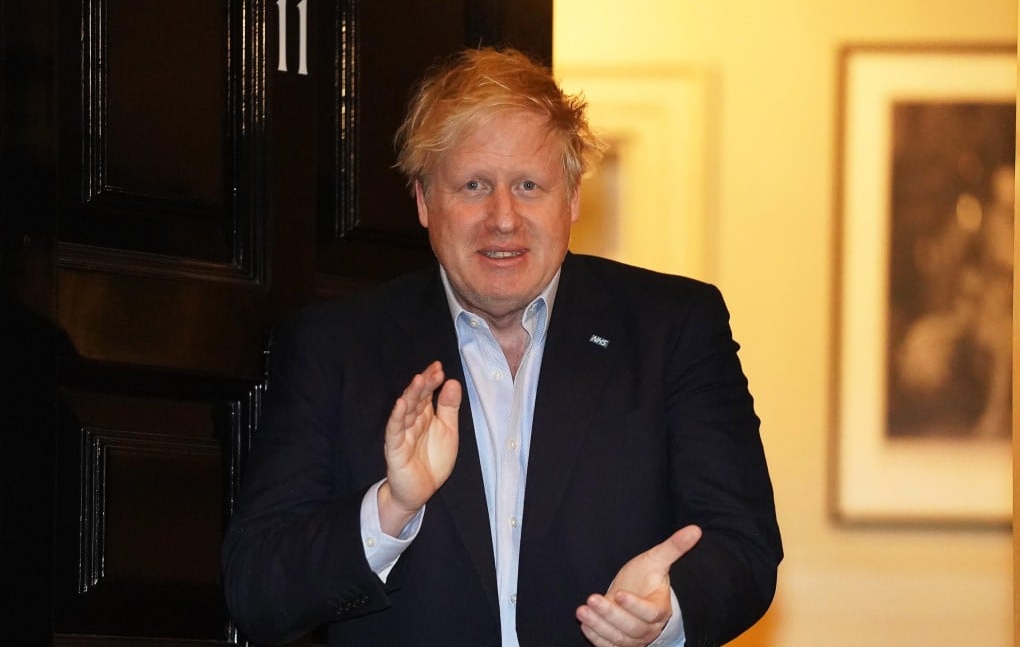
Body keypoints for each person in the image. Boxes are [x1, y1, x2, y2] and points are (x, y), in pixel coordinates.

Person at [222, 47, 782, 647]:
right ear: (422, 202)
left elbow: (742, 547)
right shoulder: (335, 347)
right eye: (473, 186)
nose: (504, 218)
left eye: (529, 186)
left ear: (571, 199)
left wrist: (666, 612)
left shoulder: (674, 328)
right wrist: (390, 509)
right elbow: (257, 590)